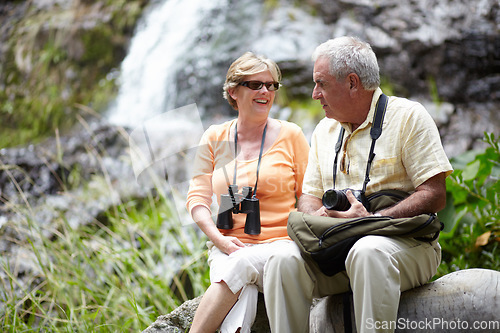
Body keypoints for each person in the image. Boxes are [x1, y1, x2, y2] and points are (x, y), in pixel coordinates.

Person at [263, 36, 453, 333]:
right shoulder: (324, 131)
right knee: (279, 259)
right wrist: (325, 217)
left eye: (321, 83)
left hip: (405, 246)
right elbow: (309, 198)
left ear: (352, 83)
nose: (314, 94)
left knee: (367, 251)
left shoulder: (408, 117)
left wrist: (372, 220)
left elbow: (435, 194)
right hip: (337, 249)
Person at [186, 52, 309, 333]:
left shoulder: (292, 136)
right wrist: (220, 241)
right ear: (233, 91)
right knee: (244, 290)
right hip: (226, 246)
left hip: (282, 250)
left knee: (240, 265)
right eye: (255, 85)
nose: (265, 91)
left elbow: (308, 197)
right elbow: (197, 199)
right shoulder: (214, 137)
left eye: (272, 85)